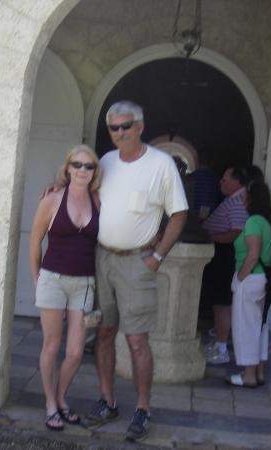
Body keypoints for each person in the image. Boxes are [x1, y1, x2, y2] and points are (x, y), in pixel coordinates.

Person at [84, 101, 188, 442]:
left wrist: (157, 256)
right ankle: (108, 401)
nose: (120, 133)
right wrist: (55, 189)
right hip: (103, 258)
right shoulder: (106, 162)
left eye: (126, 126)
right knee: (103, 333)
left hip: (137, 262)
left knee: (137, 340)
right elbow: (84, 191)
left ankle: (143, 409)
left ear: (140, 126)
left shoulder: (161, 165)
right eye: (113, 128)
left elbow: (179, 214)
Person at [29, 145, 102, 431]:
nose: (83, 170)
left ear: (94, 172)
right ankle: (50, 404)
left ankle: (61, 398)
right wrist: (37, 278)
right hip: (53, 280)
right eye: (77, 164)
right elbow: (35, 241)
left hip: (84, 283)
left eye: (89, 166)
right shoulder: (52, 200)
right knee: (51, 345)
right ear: (68, 167)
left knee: (75, 352)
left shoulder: (98, 200)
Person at [226, 180, 271, 387]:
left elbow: (253, 254)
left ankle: (249, 375)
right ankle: (258, 372)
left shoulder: (253, 221)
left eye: (245, 196)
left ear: (252, 199)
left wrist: (239, 278)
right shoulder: (268, 222)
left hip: (250, 278)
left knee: (245, 327)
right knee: (259, 326)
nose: (242, 200)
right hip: (262, 279)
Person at [200, 167, 248, 364]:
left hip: (224, 255)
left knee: (222, 303)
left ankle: (221, 349)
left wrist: (211, 237)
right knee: (218, 301)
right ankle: (219, 344)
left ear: (237, 182)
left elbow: (236, 232)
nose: (221, 182)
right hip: (220, 254)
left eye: (225, 179)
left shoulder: (238, 201)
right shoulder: (233, 199)